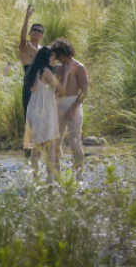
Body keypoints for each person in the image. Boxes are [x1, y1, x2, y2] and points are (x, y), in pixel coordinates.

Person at [7, 5, 44, 158]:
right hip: (29, 85)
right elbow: (22, 38)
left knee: (41, 117)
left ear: (42, 35)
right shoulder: (25, 47)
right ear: (30, 32)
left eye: (39, 31)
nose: (36, 32)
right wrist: (27, 18)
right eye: (34, 29)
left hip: (42, 86)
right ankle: (28, 152)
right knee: (28, 116)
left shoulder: (43, 50)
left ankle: (39, 150)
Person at [51, 38, 88, 181]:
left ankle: (79, 177)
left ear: (65, 52)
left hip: (73, 104)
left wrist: (72, 109)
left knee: (74, 142)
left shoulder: (79, 67)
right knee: (55, 142)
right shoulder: (57, 68)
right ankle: (56, 177)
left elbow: (84, 92)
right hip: (58, 105)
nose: (57, 58)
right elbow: (54, 90)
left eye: (59, 54)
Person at [23, 46, 63, 181]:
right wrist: (67, 73)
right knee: (50, 144)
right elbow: (60, 88)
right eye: (52, 58)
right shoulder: (45, 71)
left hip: (34, 109)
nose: (54, 60)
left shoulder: (32, 71)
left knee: (36, 146)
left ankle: (35, 177)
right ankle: (50, 179)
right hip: (45, 110)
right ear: (47, 58)